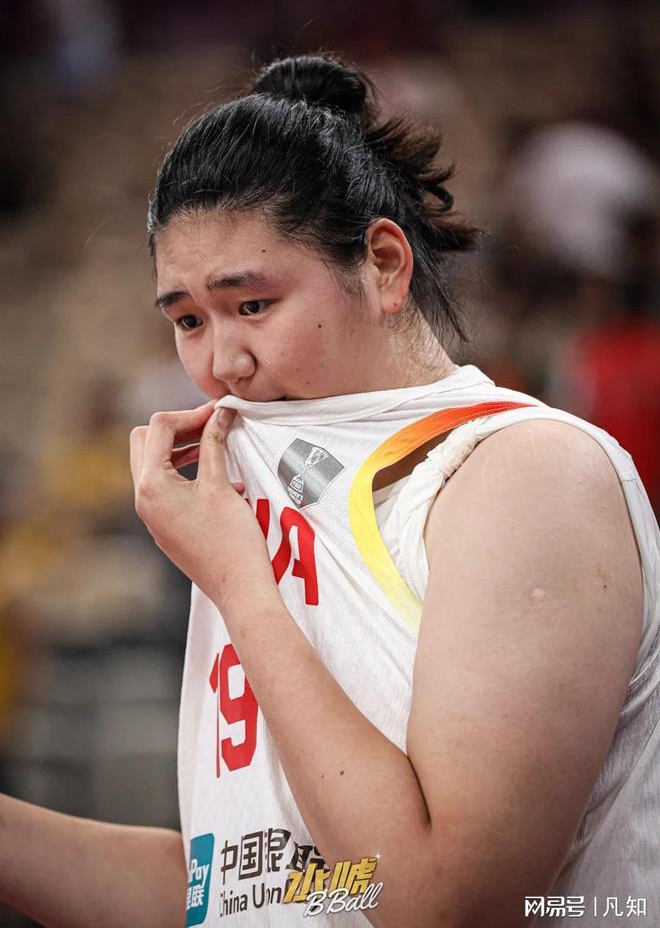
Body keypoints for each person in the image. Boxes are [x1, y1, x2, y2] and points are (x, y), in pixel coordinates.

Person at [1, 53, 658, 928]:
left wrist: (239, 583)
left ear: (383, 265)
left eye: (252, 305)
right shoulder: (260, 493)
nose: (222, 363)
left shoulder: (526, 475)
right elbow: (245, 890)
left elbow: (442, 904)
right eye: (188, 319)